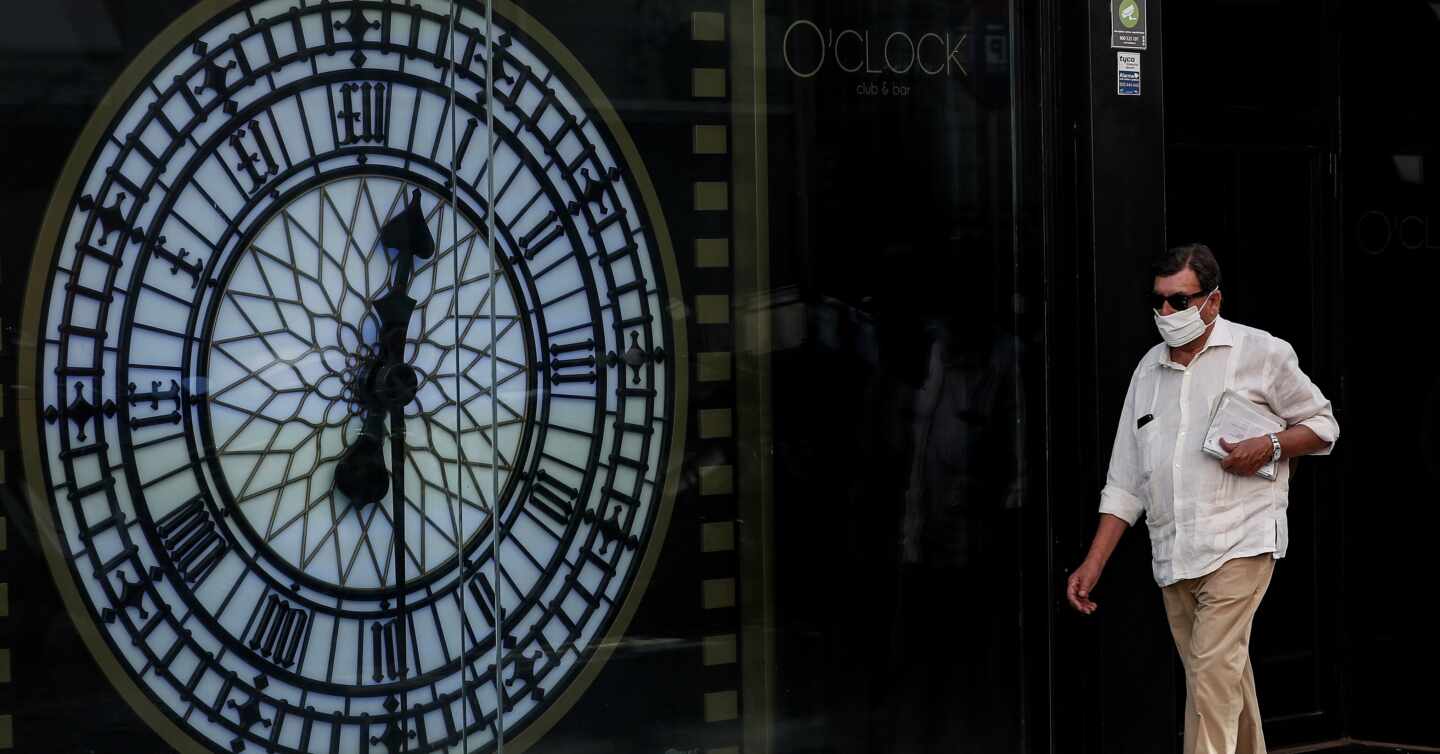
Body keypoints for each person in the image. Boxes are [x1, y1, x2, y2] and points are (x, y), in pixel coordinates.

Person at [1065, 243, 1339, 754]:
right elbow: (1125, 481)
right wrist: (1092, 563)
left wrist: (1270, 445)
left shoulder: (1262, 353)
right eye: (1160, 301)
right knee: (1221, 678)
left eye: (1180, 302)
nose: (1166, 313)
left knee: (1211, 674)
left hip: (1241, 541)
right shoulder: (1149, 370)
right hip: (1174, 553)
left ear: (1212, 301)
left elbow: (1324, 425)